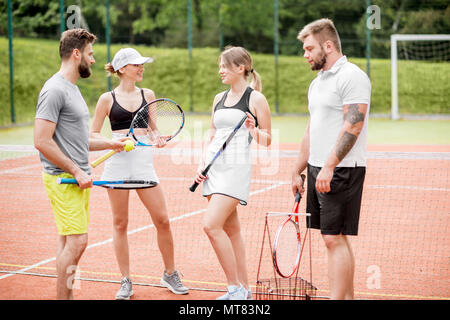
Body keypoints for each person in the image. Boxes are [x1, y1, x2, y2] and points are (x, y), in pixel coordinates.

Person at [34, 28, 127, 300]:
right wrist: (75, 169)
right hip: (63, 179)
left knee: (67, 241)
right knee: (78, 241)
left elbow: (77, 141)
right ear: (77, 54)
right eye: (90, 54)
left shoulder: (71, 89)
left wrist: (111, 143)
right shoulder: (54, 90)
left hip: (76, 179)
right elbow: (41, 140)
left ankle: (67, 297)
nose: (94, 60)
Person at [90, 47, 188, 300]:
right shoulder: (106, 99)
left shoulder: (149, 94)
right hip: (117, 166)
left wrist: (159, 139)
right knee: (120, 223)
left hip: (144, 166)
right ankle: (125, 280)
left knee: (163, 220)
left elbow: (153, 130)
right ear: (122, 69)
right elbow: (93, 135)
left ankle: (170, 273)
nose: (141, 68)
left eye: (142, 64)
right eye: (136, 65)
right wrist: (114, 143)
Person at [291, 18, 371, 300]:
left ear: (328, 45)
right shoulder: (317, 83)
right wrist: (297, 169)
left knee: (332, 238)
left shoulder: (352, 76)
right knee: (335, 237)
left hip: (341, 170)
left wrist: (328, 166)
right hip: (318, 169)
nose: (305, 54)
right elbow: (312, 129)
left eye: (309, 48)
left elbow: (353, 125)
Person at [194, 46, 272, 300]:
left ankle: (233, 288)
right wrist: (202, 164)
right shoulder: (218, 98)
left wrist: (253, 129)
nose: (220, 71)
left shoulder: (256, 99)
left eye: (224, 66)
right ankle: (245, 290)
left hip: (235, 169)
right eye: (220, 66)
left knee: (210, 226)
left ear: (240, 68)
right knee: (232, 231)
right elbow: (213, 135)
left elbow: (268, 139)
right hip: (213, 169)